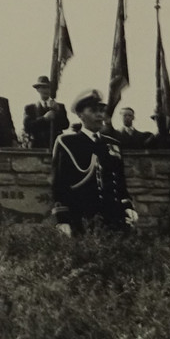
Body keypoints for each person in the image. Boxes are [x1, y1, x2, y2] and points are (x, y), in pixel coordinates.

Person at [50, 89, 137, 236]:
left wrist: (127, 206)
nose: (99, 115)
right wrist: (62, 218)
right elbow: (59, 183)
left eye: (101, 111)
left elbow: (119, 181)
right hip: (82, 217)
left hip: (114, 217)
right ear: (80, 114)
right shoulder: (67, 142)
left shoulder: (113, 144)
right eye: (93, 110)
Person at [22, 76, 69, 149]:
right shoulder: (30, 108)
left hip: (55, 146)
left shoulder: (59, 106)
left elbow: (65, 125)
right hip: (37, 146)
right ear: (38, 90)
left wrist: (58, 111)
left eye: (48, 87)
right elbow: (27, 126)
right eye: (43, 88)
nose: (46, 90)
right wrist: (44, 119)